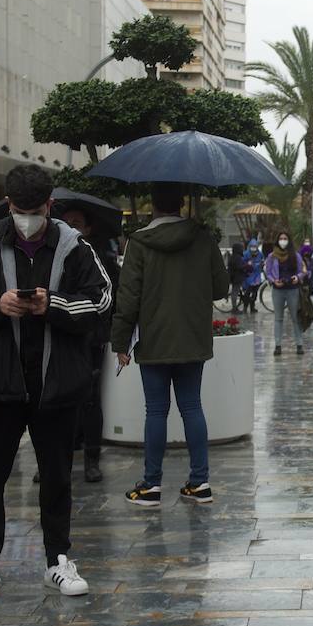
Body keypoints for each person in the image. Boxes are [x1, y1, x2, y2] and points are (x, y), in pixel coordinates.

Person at [0, 164, 111, 599]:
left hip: (55, 386)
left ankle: (58, 559)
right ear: (7, 204)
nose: (27, 219)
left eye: (35, 210)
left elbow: (101, 301)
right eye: (19, 210)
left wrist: (51, 304)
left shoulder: (75, 248)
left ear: (49, 206)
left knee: (56, 476)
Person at [113, 183, 229, 509]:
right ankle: (199, 482)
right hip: (192, 339)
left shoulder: (139, 243)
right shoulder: (203, 239)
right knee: (192, 407)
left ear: (152, 206)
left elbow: (128, 296)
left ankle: (150, 486)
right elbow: (221, 287)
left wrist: (121, 341)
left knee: (156, 411)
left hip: (154, 340)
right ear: (182, 204)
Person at [56, 205, 121, 484]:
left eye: (78, 222)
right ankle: (57, 457)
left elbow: (110, 299)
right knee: (56, 400)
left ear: (88, 228)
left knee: (91, 399)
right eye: (67, 221)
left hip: (91, 338)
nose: (72, 226)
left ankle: (92, 459)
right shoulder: (51, 254)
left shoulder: (100, 258)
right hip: (58, 336)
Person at [266, 228, 309, 356]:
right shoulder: (272, 256)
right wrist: (273, 281)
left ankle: (299, 344)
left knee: (295, 318)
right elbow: (268, 272)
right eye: (281, 239)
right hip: (278, 290)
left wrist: (298, 277)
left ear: (289, 241)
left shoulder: (295, 255)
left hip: (292, 290)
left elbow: (303, 271)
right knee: (278, 318)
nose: (283, 241)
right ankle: (278, 345)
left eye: (285, 239)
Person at [242, 239, 264, 312]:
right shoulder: (246, 254)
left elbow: (262, 261)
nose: (253, 248)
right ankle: (245, 307)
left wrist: (262, 264)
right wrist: (247, 265)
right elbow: (242, 263)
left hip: (257, 275)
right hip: (249, 275)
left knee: (255, 292)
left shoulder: (260, 254)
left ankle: (252, 307)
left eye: (255, 246)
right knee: (248, 292)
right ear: (249, 246)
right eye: (252, 246)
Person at [227, 241, 247, 313]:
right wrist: (246, 265)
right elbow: (240, 267)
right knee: (235, 292)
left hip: (234, 277)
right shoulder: (237, 257)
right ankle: (234, 308)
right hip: (236, 278)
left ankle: (235, 307)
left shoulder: (234, 256)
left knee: (235, 291)